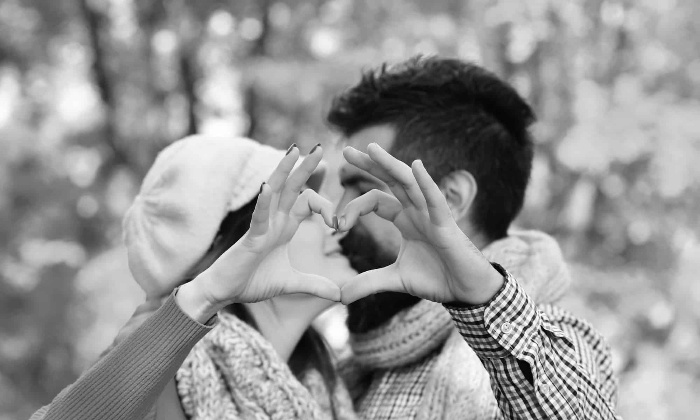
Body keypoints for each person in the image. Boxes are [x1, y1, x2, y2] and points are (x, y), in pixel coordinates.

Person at [324, 56, 620, 419]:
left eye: (361, 189)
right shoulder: (349, 369)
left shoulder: (553, 347)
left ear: (451, 198)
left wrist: (482, 299)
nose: (337, 216)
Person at [30, 137, 358, 420]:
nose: (330, 217)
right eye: (300, 204)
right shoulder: (152, 375)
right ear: (232, 244)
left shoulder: (329, 390)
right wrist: (204, 297)